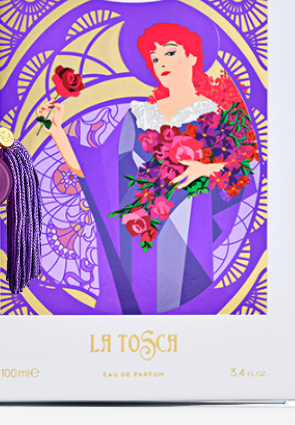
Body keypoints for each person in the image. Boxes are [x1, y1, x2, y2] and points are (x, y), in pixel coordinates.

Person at [37, 22, 256, 315]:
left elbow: (241, 172)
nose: (161, 63)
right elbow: (96, 171)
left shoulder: (215, 115)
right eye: (155, 58)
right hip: (133, 236)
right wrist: (56, 130)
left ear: (192, 56)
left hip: (188, 232)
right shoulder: (139, 115)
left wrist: (203, 170)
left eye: (170, 53)